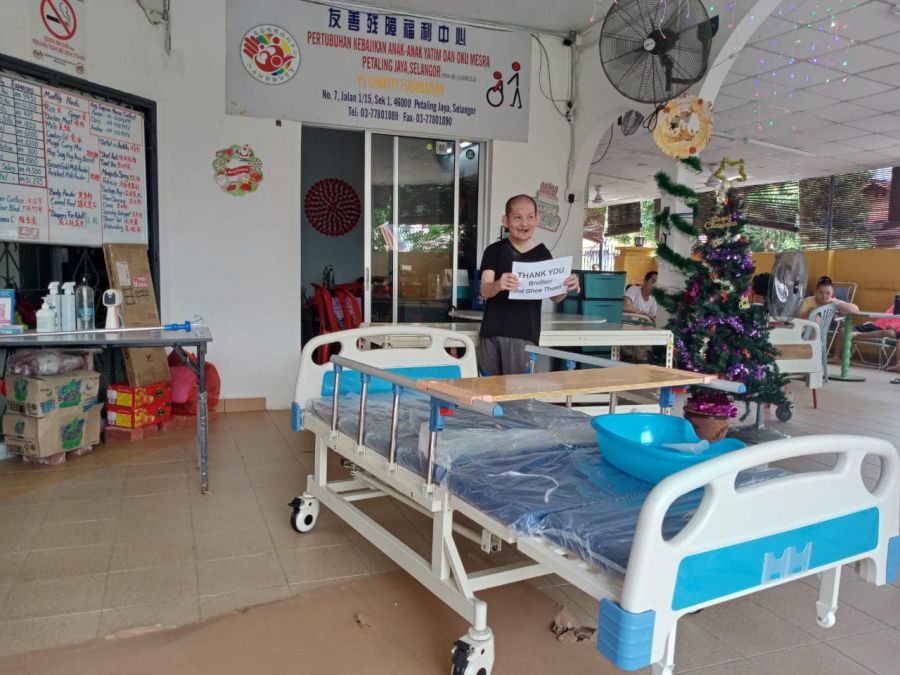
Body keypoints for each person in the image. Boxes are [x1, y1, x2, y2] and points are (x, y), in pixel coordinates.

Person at [477, 194, 580, 375]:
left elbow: (555, 297)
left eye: (530, 217)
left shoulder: (542, 254)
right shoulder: (494, 250)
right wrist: (498, 285)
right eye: (517, 217)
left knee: (519, 389)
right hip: (492, 332)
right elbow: (484, 290)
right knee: (487, 388)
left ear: (536, 220)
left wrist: (567, 286)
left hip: (524, 334)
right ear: (506, 221)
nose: (524, 223)